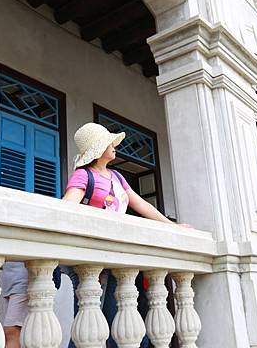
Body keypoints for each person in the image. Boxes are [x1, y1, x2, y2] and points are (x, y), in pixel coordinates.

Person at [62, 122, 189, 348]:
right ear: (98, 148)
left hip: (115, 255)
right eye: (108, 142)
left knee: (115, 319)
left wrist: (173, 226)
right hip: (92, 256)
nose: (114, 145)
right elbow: (67, 208)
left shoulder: (117, 177)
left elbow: (142, 206)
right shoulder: (83, 175)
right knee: (89, 321)